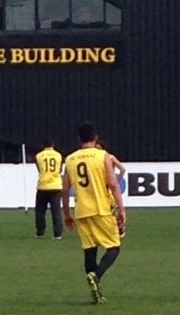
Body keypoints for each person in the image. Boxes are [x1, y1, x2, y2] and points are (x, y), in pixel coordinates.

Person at [62, 122, 126, 305]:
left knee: (90, 250)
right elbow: (113, 185)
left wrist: (67, 214)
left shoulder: (70, 159)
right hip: (101, 209)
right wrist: (121, 210)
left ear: (79, 139)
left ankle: (96, 293)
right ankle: (96, 275)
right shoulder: (103, 156)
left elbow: (65, 190)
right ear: (95, 138)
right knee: (114, 247)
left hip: (81, 211)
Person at [35, 139, 64, 240]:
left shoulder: (39, 156)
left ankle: (40, 233)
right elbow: (60, 170)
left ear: (43, 145)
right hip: (55, 186)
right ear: (53, 145)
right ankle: (58, 234)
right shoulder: (58, 155)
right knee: (56, 211)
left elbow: (39, 169)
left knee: (40, 211)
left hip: (42, 186)